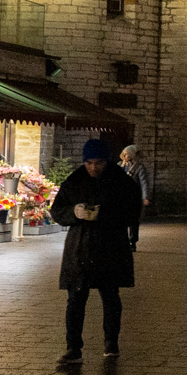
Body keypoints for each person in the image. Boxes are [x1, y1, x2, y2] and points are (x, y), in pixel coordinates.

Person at [53, 138, 142, 362]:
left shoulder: (121, 181)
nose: (93, 168)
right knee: (75, 299)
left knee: (110, 296)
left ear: (107, 161)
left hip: (110, 246)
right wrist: (74, 212)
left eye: (99, 163)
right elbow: (57, 209)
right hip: (80, 247)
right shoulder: (75, 180)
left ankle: (111, 342)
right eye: (89, 163)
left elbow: (133, 212)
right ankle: (73, 347)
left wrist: (106, 214)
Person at [120, 146, 153, 245]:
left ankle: (132, 241)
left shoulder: (139, 167)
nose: (125, 156)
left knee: (134, 220)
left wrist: (145, 197)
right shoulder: (120, 166)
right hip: (122, 197)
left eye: (127, 154)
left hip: (134, 198)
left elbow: (144, 183)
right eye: (124, 154)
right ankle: (123, 240)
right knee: (122, 219)